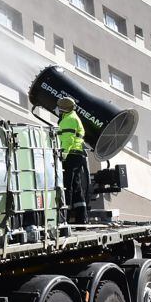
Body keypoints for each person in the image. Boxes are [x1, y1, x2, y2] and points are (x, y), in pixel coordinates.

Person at [56, 96, 89, 224]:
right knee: (76, 186)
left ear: (63, 108)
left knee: (67, 185)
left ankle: (66, 216)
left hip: (71, 155)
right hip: (77, 155)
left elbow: (68, 139)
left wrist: (63, 155)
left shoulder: (68, 120)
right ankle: (82, 217)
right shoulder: (73, 117)